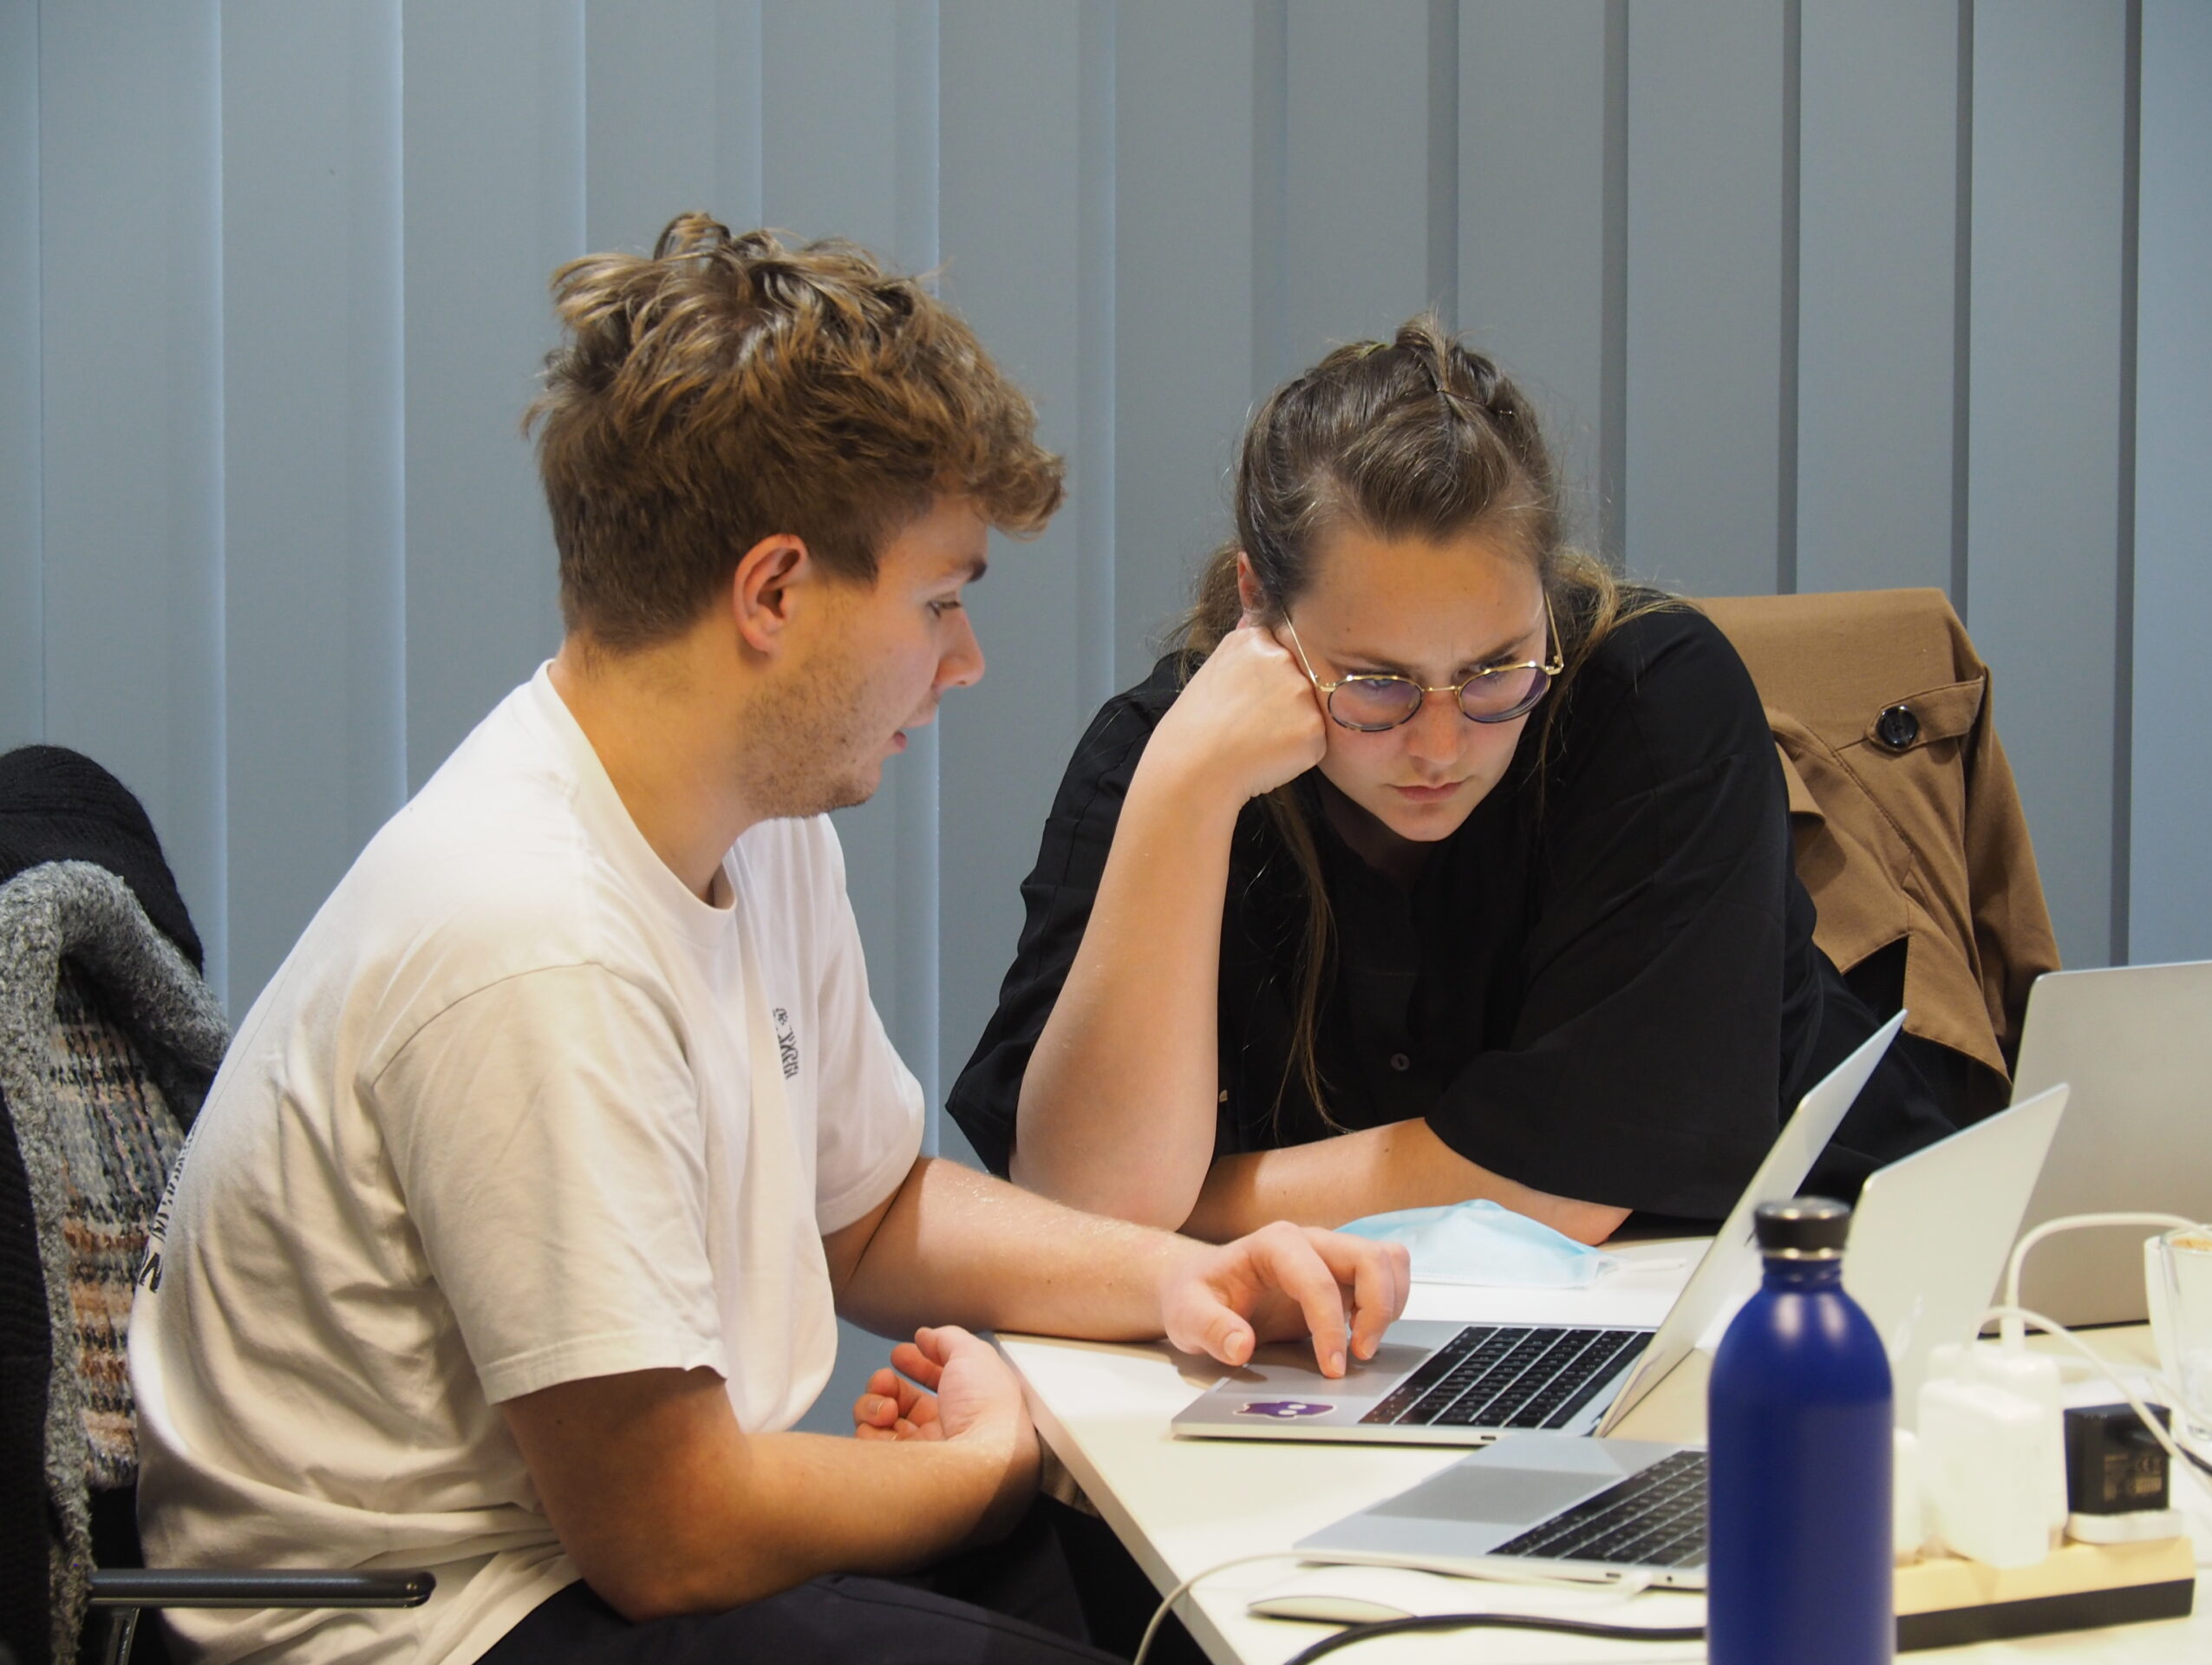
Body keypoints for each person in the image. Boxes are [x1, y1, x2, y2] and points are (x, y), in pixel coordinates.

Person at [127, 216, 1408, 1665]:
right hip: (419, 1626)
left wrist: (1177, 1279)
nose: (967, 661)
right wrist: (976, 1466)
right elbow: (673, 1530)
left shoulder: (757, 819)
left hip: (586, 1557)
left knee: (1168, 1599)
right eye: (940, 604)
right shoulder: (532, 934)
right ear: (776, 593)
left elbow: (858, 1215)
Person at [947, 317, 1967, 1245]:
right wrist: (1186, 795)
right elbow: (1077, 1201)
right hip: (1347, 1350)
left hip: (1831, 1283)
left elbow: (1566, 1184)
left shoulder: (1654, 703)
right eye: (1376, 684)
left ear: (1548, 593)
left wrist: (1174, 1216)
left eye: (1494, 671)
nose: (1441, 745)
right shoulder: (1155, 757)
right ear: (1259, 605)